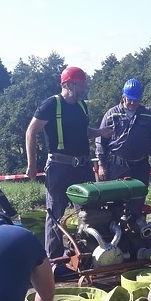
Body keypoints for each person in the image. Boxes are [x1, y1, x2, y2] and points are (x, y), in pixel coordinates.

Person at [25, 66, 113, 260]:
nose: (83, 89)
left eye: (83, 84)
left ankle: (87, 254)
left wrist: (100, 132)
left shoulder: (82, 106)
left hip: (83, 167)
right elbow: (31, 131)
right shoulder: (51, 104)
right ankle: (54, 259)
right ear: (67, 84)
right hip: (59, 167)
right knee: (55, 213)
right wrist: (31, 164)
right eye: (80, 85)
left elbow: (84, 132)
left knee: (89, 212)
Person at [95, 78, 151, 215]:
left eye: (136, 99)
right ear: (123, 96)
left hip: (140, 166)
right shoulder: (111, 114)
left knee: (137, 201)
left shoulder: (148, 114)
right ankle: (114, 226)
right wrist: (102, 164)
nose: (133, 103)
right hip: (117, 166)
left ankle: (136, 224)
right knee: (114, 202)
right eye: (130, 99)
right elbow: (100, 140)